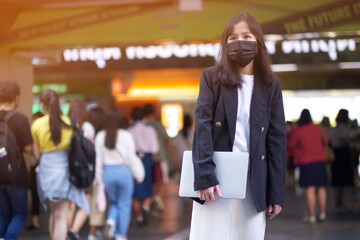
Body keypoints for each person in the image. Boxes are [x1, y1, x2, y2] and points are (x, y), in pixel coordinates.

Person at [189, 13, 287, 239]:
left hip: (254, 181)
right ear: (225, 44)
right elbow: (202, 125)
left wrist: (276, 193)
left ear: (258, 42)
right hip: (215, 180)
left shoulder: (271, 85)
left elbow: (276, 140)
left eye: (246, 36)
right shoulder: (211, 78)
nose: (239, 42)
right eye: (232, 38)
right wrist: (204, 175)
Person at [31, 89, 89, 240]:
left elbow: (36, 155)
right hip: (65, 171)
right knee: (61, 216)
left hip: (46, 171)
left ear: (42, 105)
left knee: (53, 213)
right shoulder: (70, 122)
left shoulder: (37, 124)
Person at [95, 110, 144, 240]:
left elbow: (98, 160)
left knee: (114, 202)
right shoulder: (126, 135)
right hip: (124, 171)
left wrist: (98, 178)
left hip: (108, 172)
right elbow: (131, 157)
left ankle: (110, 220)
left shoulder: (100, 136)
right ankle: (120, 235)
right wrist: (138, 174)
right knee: (124, 204)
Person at [0, 81, 33, 240]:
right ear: (16, 98)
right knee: (20, 213)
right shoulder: (21, 119)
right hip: (16, 174)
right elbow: (28, 148)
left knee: (2, 214)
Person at [288, 109, 329, 223]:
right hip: (320, 161)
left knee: (310, 188)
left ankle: (311, 216)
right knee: (321, 187)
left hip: (306, 162)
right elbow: (326, 141)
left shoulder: (298, 131)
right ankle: (322, 214)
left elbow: (290, 145)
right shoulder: (318, 129)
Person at [128, 106, 159, 227]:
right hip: (147, 159)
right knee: (148, 187)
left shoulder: (129, 130)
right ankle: (146, 206)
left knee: (136, 191)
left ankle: (140, 217)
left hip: (134, 159)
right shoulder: (150, 129)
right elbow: (155, 148)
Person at [143, 103, 177, 212]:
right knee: (163, 180)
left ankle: (152, 200)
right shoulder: (157, 124)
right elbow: (167, 140)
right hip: (161, 156)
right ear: (154, 112)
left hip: (147, 158)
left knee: (153, 181)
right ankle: (155, 199)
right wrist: (174, 154)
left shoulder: (144, 125)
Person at [329, 109, 354, 212]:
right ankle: (339, 204)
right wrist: (351, 141)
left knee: (338, 181)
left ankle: (339, 203)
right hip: (342, 154)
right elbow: (343, 140)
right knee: (340, 181)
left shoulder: (333, 129)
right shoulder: (343, 128)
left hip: (337, 154)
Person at [26, 111, 44, 231]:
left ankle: (35, 219)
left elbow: (35, 153)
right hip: (45, 166)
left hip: (38, 166)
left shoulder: (35, 132)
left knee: (35, 193)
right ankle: (35, 219)